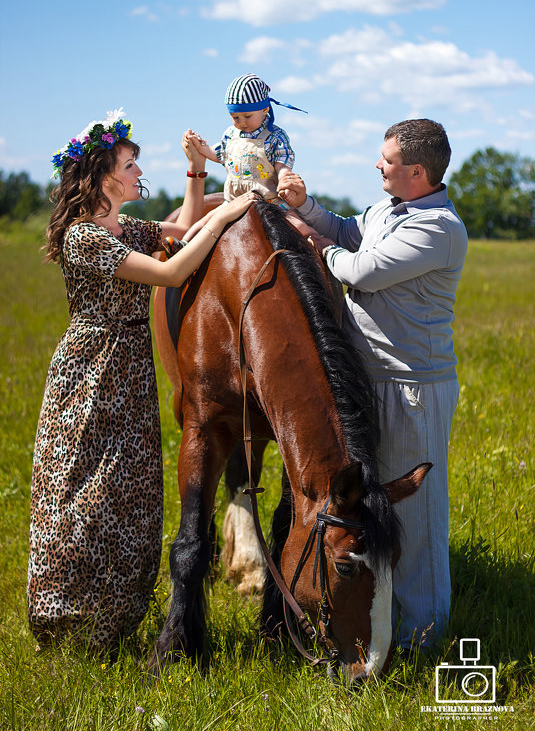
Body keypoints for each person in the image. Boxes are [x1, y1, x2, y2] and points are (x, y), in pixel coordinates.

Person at [27, 109, 254, 649]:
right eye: (130, 165)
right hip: (90, 372)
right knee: (82, 492)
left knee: (128, 492)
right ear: (106, 175)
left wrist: (197, 173)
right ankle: (66, 623)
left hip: (128, 368)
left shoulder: (124, 227)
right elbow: (173, 271)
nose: (137, 172)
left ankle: (112, 622)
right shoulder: (86, 238)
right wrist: (226, 217)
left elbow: (181, 231)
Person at [278, 119, 468, 651]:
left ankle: (423, 637)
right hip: (372, 380)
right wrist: (307, 205)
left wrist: (310, 240)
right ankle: (376, 619)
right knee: (373, 509)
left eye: (386, 160)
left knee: (416, 514)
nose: (377, 166)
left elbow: (360, 269)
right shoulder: (389, 209)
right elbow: (349, 232)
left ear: (417, 171)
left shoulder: (439, 229)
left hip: (413, 387)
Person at [182, 73, 313, 242]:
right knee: (205, 222)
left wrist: (283, 179)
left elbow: (282, 163)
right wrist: (200, 147)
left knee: (300, 227)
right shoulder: (230, 134)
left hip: (269, 201)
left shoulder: (274, 136)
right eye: (235, 117)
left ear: (265, 109)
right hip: (233, 200)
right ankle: (182, 245)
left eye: (247, 117)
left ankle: (320, 246)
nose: (241, 122)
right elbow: (220, 155)